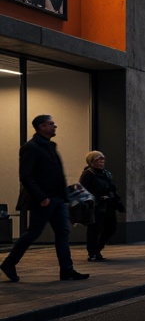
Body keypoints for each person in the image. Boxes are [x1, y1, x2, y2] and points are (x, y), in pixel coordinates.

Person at [1, 114, 88, 283]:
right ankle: (9, 263)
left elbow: (56, 175)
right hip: (44, 200)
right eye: (51, 124)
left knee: (63, 232)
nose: (55, 126)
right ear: (41, 127)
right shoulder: (31, 147)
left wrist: (65, 196)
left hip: (58, 199)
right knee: (33, 232)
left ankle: (67, 270)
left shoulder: (50, 146)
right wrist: (41, 197)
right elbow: (26, 176)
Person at [79, 151, 123, 262]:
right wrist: (96, 199)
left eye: (102, 159)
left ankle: (98, 248)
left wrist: (114, 198)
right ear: (91, 162)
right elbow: (83, 191)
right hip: (96, 206)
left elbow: (112, 187)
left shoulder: (106, 173)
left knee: (111, 227)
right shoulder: (88, 174)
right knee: (94, 229)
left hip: (108, 205)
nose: (101, 162)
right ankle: (92, 253)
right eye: (98, 160)